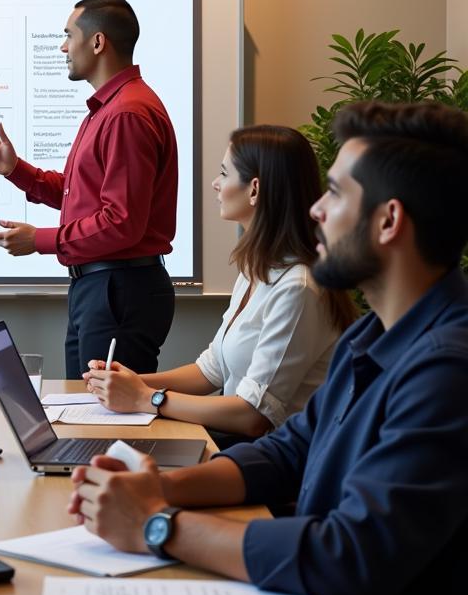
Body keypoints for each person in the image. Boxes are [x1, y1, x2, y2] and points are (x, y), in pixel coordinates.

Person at [68, 101, 468, 595]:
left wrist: (160, 523)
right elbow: (286, 451)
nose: (316, 210)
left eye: (335, 195)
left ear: (388, 222)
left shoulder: (445, 372)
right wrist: (160, 485)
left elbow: (350, 556)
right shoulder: (376, 335)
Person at [85, 126, 357, 444]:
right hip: (243, 447)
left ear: (254, 190)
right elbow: (211, 370)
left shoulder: (298, 288)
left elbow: (253, 416)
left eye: (224, 173)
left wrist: (146, 399)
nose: (215, 183)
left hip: (277, 462)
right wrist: (130, 384)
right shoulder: (258, 268)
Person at [0, 0, 178, 380]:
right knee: (86, 410)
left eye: (69, 36)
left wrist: (41, 240)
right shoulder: (111, 108)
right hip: (102, 288)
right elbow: (80, 193)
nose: (64, 47)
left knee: (104, 420)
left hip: (118, 288)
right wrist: (15, 170)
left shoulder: (126, 113)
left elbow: (121, 221)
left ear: (98, 42)